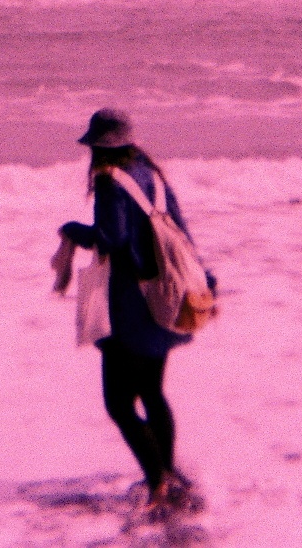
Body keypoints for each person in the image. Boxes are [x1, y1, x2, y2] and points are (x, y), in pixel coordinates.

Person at [58, 108, 198, 512]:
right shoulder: (153, 174)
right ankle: (167, 473)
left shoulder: (108, 180)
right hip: (165, 297)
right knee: (152, 391)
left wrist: (73, 230)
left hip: (129, 308)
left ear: (98, 147)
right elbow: (182, 231)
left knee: (119, 404)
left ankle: (158, 485)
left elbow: (112, 239)